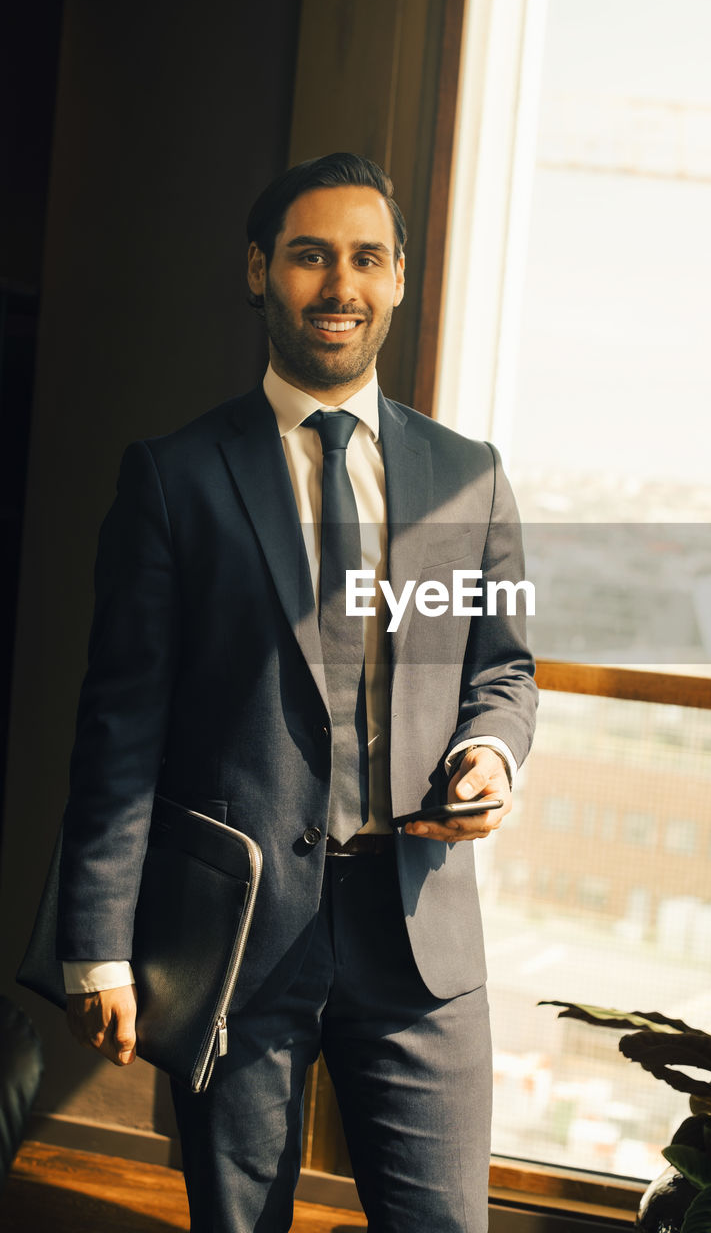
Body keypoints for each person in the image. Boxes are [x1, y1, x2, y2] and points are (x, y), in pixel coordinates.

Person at [57, 152, 537, 1232]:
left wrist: (489, 751)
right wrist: (98, 939)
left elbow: (502, 665)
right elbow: (120, 727)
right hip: (237, 939)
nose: (339, 285)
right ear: (259, 270)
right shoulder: (174, 477)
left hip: (419, 936)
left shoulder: (473, 474)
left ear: (400, 278)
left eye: (366, 258)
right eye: (311, 255)